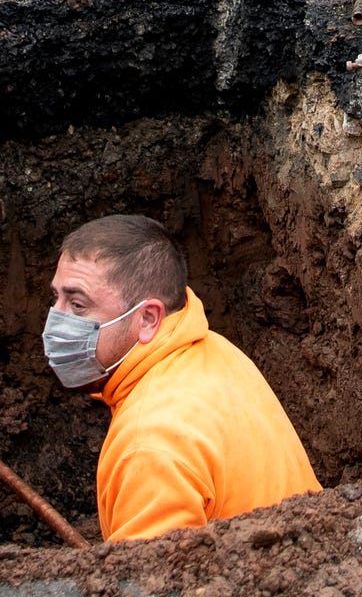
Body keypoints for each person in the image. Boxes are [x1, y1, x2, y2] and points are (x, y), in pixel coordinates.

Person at [44, 214, 318, 542]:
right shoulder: (213, 350)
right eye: (56, 298)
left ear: (147, 318)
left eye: (77, 304)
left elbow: (146, 588)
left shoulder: (149, 446)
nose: (56, 320)